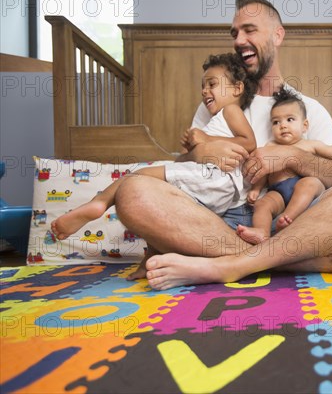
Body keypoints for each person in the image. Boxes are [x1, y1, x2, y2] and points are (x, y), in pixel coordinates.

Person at [113, 0, 332, 290]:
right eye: (234, 33)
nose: (239, 40)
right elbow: (180, 174)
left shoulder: (306, 108)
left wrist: (291, 158)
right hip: (223, 225)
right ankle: (284, 262)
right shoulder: (217, 103)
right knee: (132, 193)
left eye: (249, 30)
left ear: (277, 34)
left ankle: (231, 265)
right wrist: (202, 152)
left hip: (295, 225)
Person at [50, 53, 257, 267]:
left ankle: (100, 202)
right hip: (211, 187)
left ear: (237, 88)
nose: (205, 91)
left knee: (140, 175)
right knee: (163, 210)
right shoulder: (212, 119)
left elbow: (249, 142)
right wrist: (194, 148)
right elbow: (190, 158)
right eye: (202, 86)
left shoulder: (231, 110)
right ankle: (152, 256)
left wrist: (207, 139)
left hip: (216, 179)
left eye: (212, 84)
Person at [237, 88, 332, 244]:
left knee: (310, 183)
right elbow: (264, 171)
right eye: (276, 122)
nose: (283, 126)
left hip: (304, 188)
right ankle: (262, 231)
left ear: (305, 125)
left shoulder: (310, 145)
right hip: (278, 191)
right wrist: (256, 189)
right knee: (262, 204)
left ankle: (288, 218)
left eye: (290, 119)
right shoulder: (270, 146)